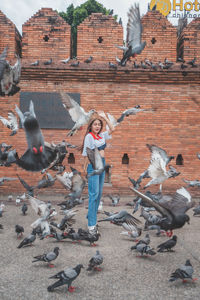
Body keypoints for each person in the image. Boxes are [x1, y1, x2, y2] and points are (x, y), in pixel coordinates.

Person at [82, 112, 115, 234]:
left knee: (99, 194)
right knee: (94, 195)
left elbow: (113, 129)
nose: (97, 126)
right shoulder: (89, 137)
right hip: (94, 165)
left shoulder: (101, 136)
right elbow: (86, 154)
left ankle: (92, 217)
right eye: (95, 124)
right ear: (91, 126)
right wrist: (85, 168)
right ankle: (91, 224)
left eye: (99, 125)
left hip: (102, 164)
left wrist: (105, 118)